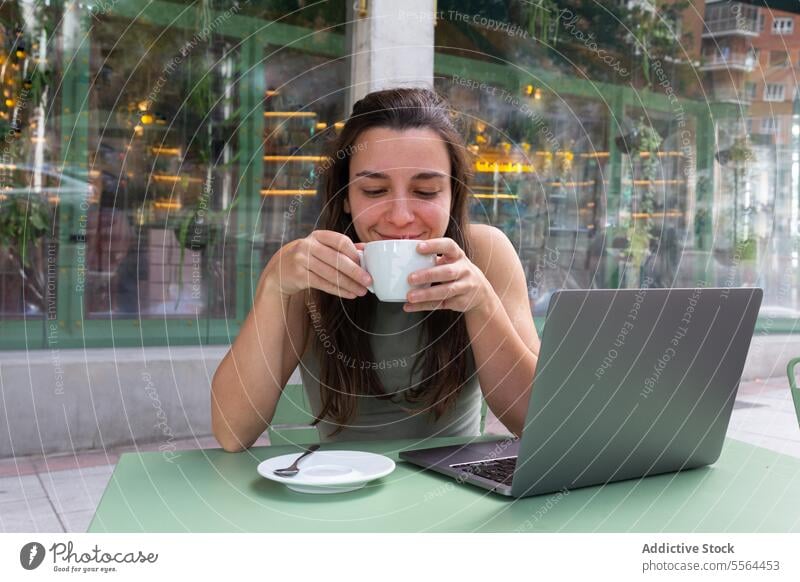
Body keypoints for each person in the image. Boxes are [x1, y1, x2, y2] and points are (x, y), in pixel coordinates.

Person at [211, 88, 540, 451]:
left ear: (453, 194)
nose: (400, 217)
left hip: (456, 486)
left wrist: (482, 304)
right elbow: (231, 432)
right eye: (374, 190)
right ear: (346, 197)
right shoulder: (308, 268)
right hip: (339, 487)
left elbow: (536, 421)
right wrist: (275, 286)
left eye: (427, 191)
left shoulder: (485, 253)